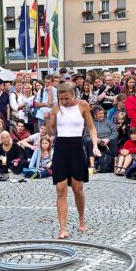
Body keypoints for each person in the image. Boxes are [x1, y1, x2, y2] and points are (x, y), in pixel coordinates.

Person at [47, 82, 100, 239]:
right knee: (61, 189)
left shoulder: (82, 105)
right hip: (61, 148)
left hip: (77, 147)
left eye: (66, 98)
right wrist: (50, 121)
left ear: (73, 95)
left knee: (78, 188)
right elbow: (51, 131)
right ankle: (62, 228)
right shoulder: (56, 107)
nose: (63, 102)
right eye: (61, 98)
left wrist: (95, 145)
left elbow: (91, 127)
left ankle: (81, 218)